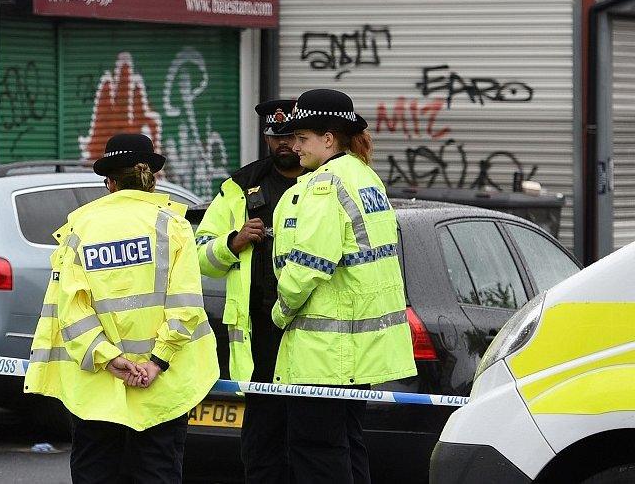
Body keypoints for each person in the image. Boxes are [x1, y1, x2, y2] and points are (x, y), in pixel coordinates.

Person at [24, 133, 219, 484]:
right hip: (162, 384)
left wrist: (108, 357)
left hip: (96, 387)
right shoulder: (172, 224)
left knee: (96, 471)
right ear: (152, 178)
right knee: (157, 471)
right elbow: (185, 306)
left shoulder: (80, 228)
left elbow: (72, 310)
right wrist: (157, 362)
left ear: (109, 182)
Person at [271, 89, 416, 484]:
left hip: (325, 352)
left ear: (329, 138)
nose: (295, 147)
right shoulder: (364, 177)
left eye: (302, 139)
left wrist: (280, 311)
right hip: (358, 351)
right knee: (348, 445)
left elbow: (308, 266)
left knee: (316, 453)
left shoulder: (324, 185)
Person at [194, 99, 306, 483]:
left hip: (310, 330)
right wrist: (232, 242)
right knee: (262, 442)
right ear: (267, 138)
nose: (286, 145)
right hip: (261, 331)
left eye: (293, 136)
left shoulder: (324, 182)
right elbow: (199, 255)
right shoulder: (239, 187)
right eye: (278, 137)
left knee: (311, 442)